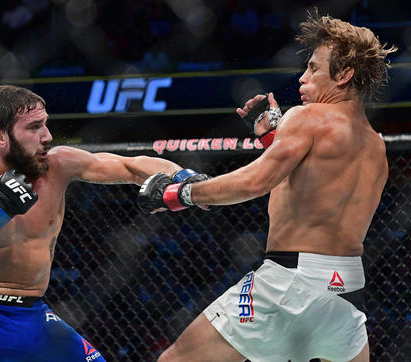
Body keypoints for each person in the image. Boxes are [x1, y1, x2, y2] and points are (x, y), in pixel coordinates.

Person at [138, 10, 397, 362]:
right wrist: (274, 136)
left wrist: (181, 192)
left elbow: (256, 182)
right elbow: (317, 184)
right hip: (346, 291)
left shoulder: (307, 118)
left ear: (345, 74)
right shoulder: (375, 145)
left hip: (289, 281)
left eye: (314, 69)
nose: (303, 79)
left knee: (176, 359)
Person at [0, 84, 206, 362]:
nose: (47, 136)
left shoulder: (57, 165)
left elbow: (130, 166)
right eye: (34, 127)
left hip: (33, 316)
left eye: (45, 124)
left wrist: (185, 179)